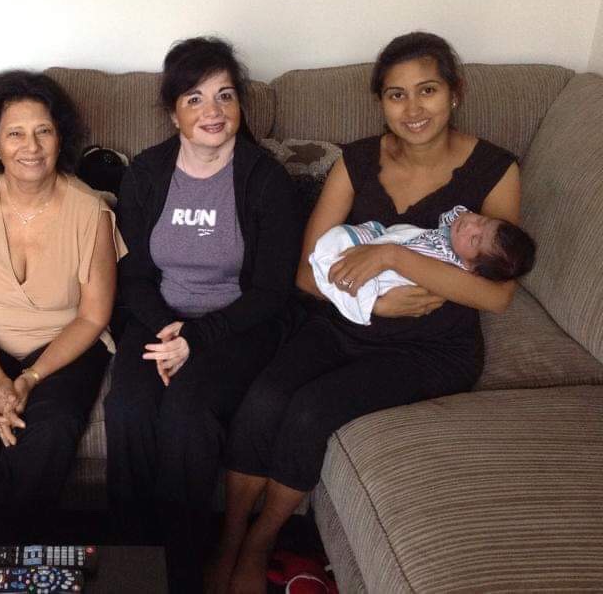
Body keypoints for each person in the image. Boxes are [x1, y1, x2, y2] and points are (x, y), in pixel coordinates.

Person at [210, 32, 524, 594]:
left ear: (455, 92)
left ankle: (261, 543)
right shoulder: (356, 162)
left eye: (427, 90)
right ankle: (231, 539)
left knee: (310, 410)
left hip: (430, 348)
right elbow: (308, 274)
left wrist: (392, 254)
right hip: (339, 323)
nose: (413, 109)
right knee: (263, 399)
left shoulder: (494, 171)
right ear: (381, 102)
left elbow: (496, 293)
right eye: (396, 95)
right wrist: (373, 298)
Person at [103, 37, 302, 592]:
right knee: (128, 407)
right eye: (195, 98)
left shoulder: (265, 181)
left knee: (187, 418)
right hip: (159, 318)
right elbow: (133, 275)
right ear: (174, 112)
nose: (213, 112)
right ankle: (129, 564)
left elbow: (270, 293)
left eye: (225, 96)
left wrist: (197, 338)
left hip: (238, 326)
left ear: (240, 105)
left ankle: (182, 568)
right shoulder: (146, 173)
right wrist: (168, 329)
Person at [0, 70, 126, 544]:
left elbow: (94, 316)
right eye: (15, 132)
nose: (30, 146)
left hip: (64, 345)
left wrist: (30, 379)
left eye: (44, 131)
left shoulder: (91, 211)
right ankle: (1, 558)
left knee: (53, 428)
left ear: (61, 139)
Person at [311, 205, 536, 324]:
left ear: (472, 269)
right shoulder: (455, 232)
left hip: (392, 282)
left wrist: (377, 304)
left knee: (356, 275)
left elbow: (498, 299)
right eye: (481, 220)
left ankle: (358, 300)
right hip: (381, 244)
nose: (470, 226)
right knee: (340, 243)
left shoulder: (448, 262)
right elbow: (456, 216)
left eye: (475, 240)